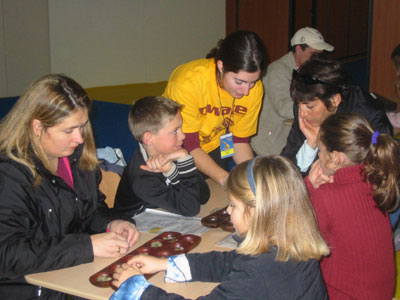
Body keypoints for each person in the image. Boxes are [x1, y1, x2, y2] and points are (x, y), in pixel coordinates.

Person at [109, 156, 330, 300]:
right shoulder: (285, 242)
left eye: (233, 205)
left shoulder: (261, 270)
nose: (228, 211)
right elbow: (226, 263)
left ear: (256, 212)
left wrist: (138, 290)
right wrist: (164, 264)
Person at [0, 74, 140, 300]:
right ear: (37, 127)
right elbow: (8, 254)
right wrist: (87, 247)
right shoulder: (10, 173)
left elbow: (90, 211)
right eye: (69, 130)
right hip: (29, 288)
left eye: (83, 127)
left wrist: (111, 223)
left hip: (69, 275)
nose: (80, 138)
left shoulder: (75, 159)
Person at [305, 112, 398, 299]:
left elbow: (299, 245)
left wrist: (308, 186)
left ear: (336, 158)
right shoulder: (376, 184)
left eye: (321, 150)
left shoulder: (326, 197)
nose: (319, 155)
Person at [163, 30, 266, 186]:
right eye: (239, 82)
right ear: (221, 66)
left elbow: (239, 140)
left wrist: (252, 179)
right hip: (176, 144)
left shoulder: (255, 90)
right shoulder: (188, 83)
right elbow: (190, 144)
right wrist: (226, 179)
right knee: (185, 198)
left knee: (217, 193)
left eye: (252, 82)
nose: (246, 91)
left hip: (216, 142)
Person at [281, 56, 392, 176]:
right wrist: (310, 145)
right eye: (298, 104)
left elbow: (384, 173)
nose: (302, 113)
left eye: (310, 106)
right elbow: (285, 171)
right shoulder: (304, 107)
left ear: (334, 101)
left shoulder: (369, 119)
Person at [114, 96, 210, 217]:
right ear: (149, 138)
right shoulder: (142, 177)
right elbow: (190, 208)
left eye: (181, 128)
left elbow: (203, 196)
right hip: (135, 228)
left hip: (163, 217)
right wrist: (185, 158)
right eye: (175, 131)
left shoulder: (173, 150)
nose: (183, 136)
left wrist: (172, 171)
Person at [251, 27, 334, 156]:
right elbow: (284, 108)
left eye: (320, 54)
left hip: (292, 135)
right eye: (313, 54)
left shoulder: (310, 70)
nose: (317, 59)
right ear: (298, 49)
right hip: (272, 141)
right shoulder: (277, 71)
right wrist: (320, 108)